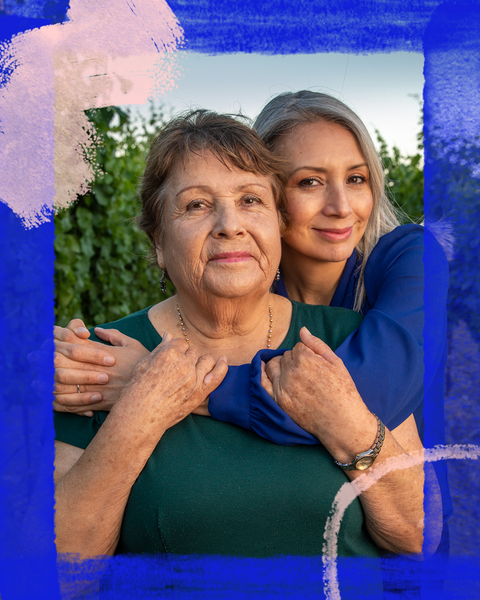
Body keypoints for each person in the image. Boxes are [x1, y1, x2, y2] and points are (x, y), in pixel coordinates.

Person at [51, 110, 440, 563]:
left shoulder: (349, 339)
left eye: (251, 200)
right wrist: (144, 406)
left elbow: (420, 536)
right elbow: (61, 570)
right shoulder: (96, 361)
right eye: (196, 205)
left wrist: (346, 420)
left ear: (277, 224)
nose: (229, 224)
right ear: (158, 241)